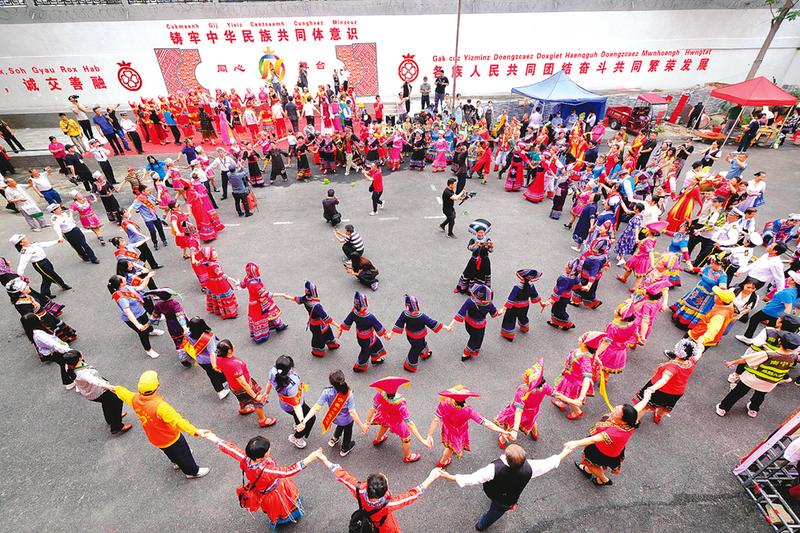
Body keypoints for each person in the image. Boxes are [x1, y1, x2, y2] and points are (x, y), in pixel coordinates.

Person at [440, 443, 571, 531]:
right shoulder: (530, 467)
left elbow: (472, 479)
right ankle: (481, 526)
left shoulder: (494, 468)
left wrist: (448, 476)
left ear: (507, 458)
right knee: (495, 513)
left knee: (494, 505)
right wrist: (565, 452)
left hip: (493, 492)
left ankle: (482, 525)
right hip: (507, 500)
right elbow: (549, 463)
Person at [110, 370, 213, 478]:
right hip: (170, 436)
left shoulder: (134, 398)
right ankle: (192, 472)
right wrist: (195, 431)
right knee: (182, 451)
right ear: (157, 386)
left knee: (169, 451)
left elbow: (123, 392)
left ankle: (177, 462)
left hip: (155, 438)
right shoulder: (160, 406)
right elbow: (178, 421)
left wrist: (111, 387)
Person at [211, 435, 323, 529]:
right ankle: (284, 519)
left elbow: (231, 449)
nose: (270, 449)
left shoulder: (246, 458)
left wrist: (212, 437)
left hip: (263, 490)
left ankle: (278, 520)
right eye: (268, 450)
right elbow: (289, 471)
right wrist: (311, 458)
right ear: (260, 457)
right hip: (275, 492)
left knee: (274, 509)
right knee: (281, 506)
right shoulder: (266, 470)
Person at [317, 452, 441, 533]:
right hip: (385, 526)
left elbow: (342, 475)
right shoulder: (388, 505)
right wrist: (431, 477)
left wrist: (324, 459)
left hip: (368, 519)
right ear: (385, 491)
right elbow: (411, 495)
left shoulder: (359, 489)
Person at [565, 389, 654, 486]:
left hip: (602, 450)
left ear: (623, 421)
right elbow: (638, 408)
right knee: (594, 465)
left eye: (616, 412)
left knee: (592, 465)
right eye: (617, 407)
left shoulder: (614, 432)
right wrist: (646, 398)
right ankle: (590, 471)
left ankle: (603, 479)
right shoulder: (631, 421)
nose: (614, 410)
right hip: (612, 449)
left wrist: (575, 443)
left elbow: (593, 439)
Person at [717, 331, 800, 418]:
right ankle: (753, 409)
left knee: (737, 393)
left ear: (779, 342)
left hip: (753, 378)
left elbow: (747, 360)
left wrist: (732, 362)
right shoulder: (794, 357)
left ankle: (723, 408)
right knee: (759, 396)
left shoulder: (768, 354)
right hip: (770, 382)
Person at [426, 385, 508, 468]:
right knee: (449, 449)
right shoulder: (468, 410)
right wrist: (502, 431)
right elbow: (485, 422)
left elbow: (436, 420)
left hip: (447, 429)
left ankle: (447, 457)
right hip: (458, 433)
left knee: (450, 445)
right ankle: (442, 462)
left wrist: (429, 435)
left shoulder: (444, 403)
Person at [295, 369, 369, 457]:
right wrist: (362, 426)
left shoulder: (326, 392)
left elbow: (316, 407)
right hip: (347, 420)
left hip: (335, 418)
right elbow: (352, 413)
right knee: (348, 432)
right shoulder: (349, 394)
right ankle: (345, 449)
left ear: (331, 383)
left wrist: (304, 421)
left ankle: (334, 439)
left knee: (340, 425)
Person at [364, 376, 432, 464]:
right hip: (396, 421)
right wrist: (422, 440)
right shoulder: (400, 402)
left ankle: (378, 439)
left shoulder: (380, 394)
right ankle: (408, 456)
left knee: (384, 425)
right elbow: (409, 423)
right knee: (406, 437)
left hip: (385, 415)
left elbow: (372, 409)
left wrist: (367, 423)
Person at [63, 350, 132, 435]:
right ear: (79, 358)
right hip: (98, 391)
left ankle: (111, 418)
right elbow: (95, 381)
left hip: (91, 392)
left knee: (107, 402)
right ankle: (116, 426)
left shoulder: (69, 366)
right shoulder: (83, 374)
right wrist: (111, 387)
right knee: (117, 400)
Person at [211, 339, 276, 428]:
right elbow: (244, 384)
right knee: (257, 403)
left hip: (233, 385)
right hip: (244, 387)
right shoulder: (234, 365)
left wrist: (216, 368)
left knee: (241, 399)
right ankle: (263, 420)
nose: (233, 345)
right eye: (231, 344)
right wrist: (255, 396)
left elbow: (215, 364)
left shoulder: (219, 358)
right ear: (229, 351)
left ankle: (243, 409)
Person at [277, 281, 341, 357]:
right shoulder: (316, 306)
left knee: (319, 337)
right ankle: (322, 350)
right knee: (322, 336)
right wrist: (338, 326)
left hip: (314, 324)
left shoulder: (305, 298)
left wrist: (286, 296)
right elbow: (327, 319)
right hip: (320, 324)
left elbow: (296, 299)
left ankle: (324, 347)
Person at [264, 355, 315, 449]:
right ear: (290, 368)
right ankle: (296, 437)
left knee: (297, 416)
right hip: (294, 405)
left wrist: (266, 393)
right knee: (311, 418)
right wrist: (302, 422)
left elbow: (269, 382)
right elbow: (296, 405)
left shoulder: (273, 371)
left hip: (285, 404)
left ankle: (297, 424)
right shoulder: (292, 383)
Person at [389, 294, 450, 373]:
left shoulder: (404, 314)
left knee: (420, 344)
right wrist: (446, 327)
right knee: (415, 349)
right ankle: (409, 366)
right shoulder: (422, 316)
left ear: (407, 306)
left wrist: (390, 334)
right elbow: (432, 323)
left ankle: (424, 354)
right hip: (420, 336)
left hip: (410, 336)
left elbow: (398, 324)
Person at [107, 274, 162, 358]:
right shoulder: (121, 298)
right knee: (142, 333)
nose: (124, 277)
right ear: (120, 284)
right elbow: (127, 311)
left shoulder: (126, 287)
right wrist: (137, 324)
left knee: (147, 322)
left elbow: (140, 288)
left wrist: (148, 277)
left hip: (140, 311)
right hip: (132, 318)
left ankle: (151, 331)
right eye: (122, 278)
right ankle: (148, 350)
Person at [737, 270, 799, 341]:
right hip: (778, 312)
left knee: (754, 319)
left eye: (791, 277)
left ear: (793, 281)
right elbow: (792, 303)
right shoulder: (796, 292)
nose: (789, 277)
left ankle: (747, 337)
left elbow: (788, 307)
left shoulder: (788, 292)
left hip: (771, 310)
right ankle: (766, 341)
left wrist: (782, 319)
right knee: (770, 328)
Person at [20, 311, 76, 390]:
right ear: (34, 322)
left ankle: (69, 381)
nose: (39, 317)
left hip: (50, 351)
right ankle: (69, 381)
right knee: (65, 363)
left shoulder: (33, 331)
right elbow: (53, 344)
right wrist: (69, 350)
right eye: (36, 317)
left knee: (63, 364)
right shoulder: (40, 335)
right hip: (54, 352)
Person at [449, 283, 505, 361]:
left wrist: (451, 324)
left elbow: (460, 313)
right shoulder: (489, 305)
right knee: (476, 339)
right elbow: (495, 314)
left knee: (472, 335)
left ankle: (472, 349)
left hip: (468, 323)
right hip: (479, 327)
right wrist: (502, 310)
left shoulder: (470, 301)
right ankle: (466, 354)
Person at [339, 291, 389, 372]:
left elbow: (348, 321)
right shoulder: (370, 317)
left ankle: (375, 358)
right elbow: (377, 325)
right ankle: (359, 366)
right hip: (367, 338)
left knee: (376, 344)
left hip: (361, 336)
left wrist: (341, 328)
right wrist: (385, 333)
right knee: (365, 352)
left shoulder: (354, 313)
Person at [239, 262, 286, 343]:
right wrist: (281, 294)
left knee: (265, 314)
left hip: (254, 303)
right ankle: (264, 334)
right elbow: (267, 294)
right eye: (258, 270)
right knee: (266, 313)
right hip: (259, 303)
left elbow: (243, 285)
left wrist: (239, 284)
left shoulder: (248, 278)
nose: (259, 271)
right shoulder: (255, 285)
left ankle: (272, 328)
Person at [11, 234, 69, 299]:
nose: (26, 238)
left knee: (47, 278)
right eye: (23, 239)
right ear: (21, 243)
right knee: (53, 276)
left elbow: (45, 244)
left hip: (45, 261)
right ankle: (63, 285)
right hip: (40, 265)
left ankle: (45, 294)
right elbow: (22, 263)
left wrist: (57, 241)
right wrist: (19, 275)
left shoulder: (33, 244)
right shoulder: (25, 252)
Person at [499, 269, 541, 341]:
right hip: (525, 306)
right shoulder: (531, 285)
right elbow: (535, 295)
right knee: (523, 316)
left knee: (510, 319)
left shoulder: (517, 287)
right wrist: (541, 302)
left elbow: (511, 299)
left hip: (515, 306)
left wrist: (503, 308)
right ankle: (525, 327)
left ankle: (509, 335)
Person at [197, 246, 238, 319]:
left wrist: (198, 262)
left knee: (215, 295)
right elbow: (222, 275)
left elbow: (200, 262)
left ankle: (217, 309)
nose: (216, 255)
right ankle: (229, 313)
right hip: (220, 283)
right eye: (214, 254)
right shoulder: (214, 266)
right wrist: (233, 280)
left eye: (216, 253)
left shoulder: (207, 262)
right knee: (224, 296)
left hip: (211, 282)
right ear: (210, 256)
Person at [455, 220, 494, 293]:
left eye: (482, 232)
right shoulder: (473, 239)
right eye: (479, 232)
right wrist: (475, 244)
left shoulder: (487, 240)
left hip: (484, 260)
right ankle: (461, 287)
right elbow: (469, 248)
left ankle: (481, 289)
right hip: (474, 259)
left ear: (484, 233)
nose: (481, 234)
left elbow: (491, 251)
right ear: (476, 233)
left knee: (484, 274)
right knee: (468, 272)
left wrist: (491, 246)